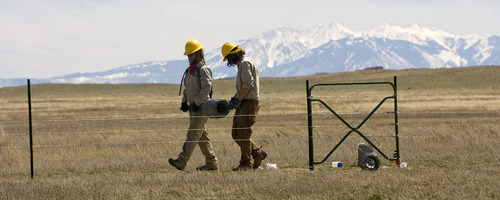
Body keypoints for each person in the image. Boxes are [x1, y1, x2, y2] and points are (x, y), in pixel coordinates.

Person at [169, 39, 219, 171]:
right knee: (202, 137)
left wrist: (196, 102)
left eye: (191, 55)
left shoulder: (203, 69)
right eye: (188, 55)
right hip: (193, 108)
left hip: (202, 108)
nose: (188, 57)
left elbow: (206, 89)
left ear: (198, 54)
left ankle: (181, 161)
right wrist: (185, 102)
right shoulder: (190, 70)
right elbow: (187, 88)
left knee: (192, 134)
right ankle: (212, 164)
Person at [221, 42, 268, 171]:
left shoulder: (245, 63)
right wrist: (235, 99)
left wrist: (238, 100)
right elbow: (243, 87)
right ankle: (258, 153)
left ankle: (246, 163)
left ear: (233, 54)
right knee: (236, 133)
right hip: (244, 101)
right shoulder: (242, 63)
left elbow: (248, 85)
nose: (229, 62)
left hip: (249, 102)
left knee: (242, 133)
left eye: (229, 58)